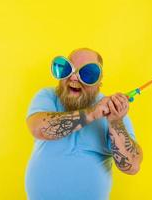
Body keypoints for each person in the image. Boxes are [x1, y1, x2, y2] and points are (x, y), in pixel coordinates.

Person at [25, 48, 143, 200]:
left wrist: (115, 122)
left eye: (87, 73)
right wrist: (92, 113)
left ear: (99, 82)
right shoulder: (48, 96)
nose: (73, 77)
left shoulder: (114, 112)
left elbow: (131, 166)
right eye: (68, 69)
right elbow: (39, 128)